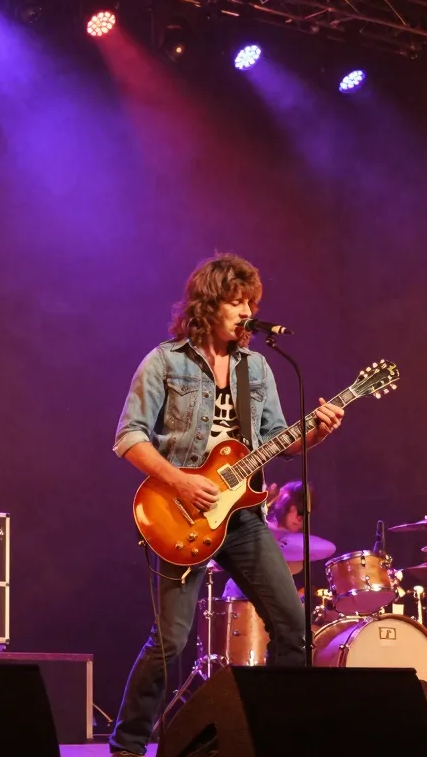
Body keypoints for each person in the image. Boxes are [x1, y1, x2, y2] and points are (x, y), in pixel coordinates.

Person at [108, 254, 345, 757]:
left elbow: (279, 439)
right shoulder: (165, 361)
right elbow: (128, 437)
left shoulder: (256, 368)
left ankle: (272, 737)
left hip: (244, 519)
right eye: (236, 302)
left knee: (294, 626)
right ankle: (128, 743)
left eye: (251, 303)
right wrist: (181, 482)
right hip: (179, 514)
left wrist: (316, 434)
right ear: (208, 303)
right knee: (171, 641)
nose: (246, 312)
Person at [220, 480, 309, 600]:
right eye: (298, 510)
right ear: (285, 504)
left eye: (303, 514)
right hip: (241, 588)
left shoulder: (298, 544)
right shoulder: (259, 523)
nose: (299, 519)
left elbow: (295, 567)